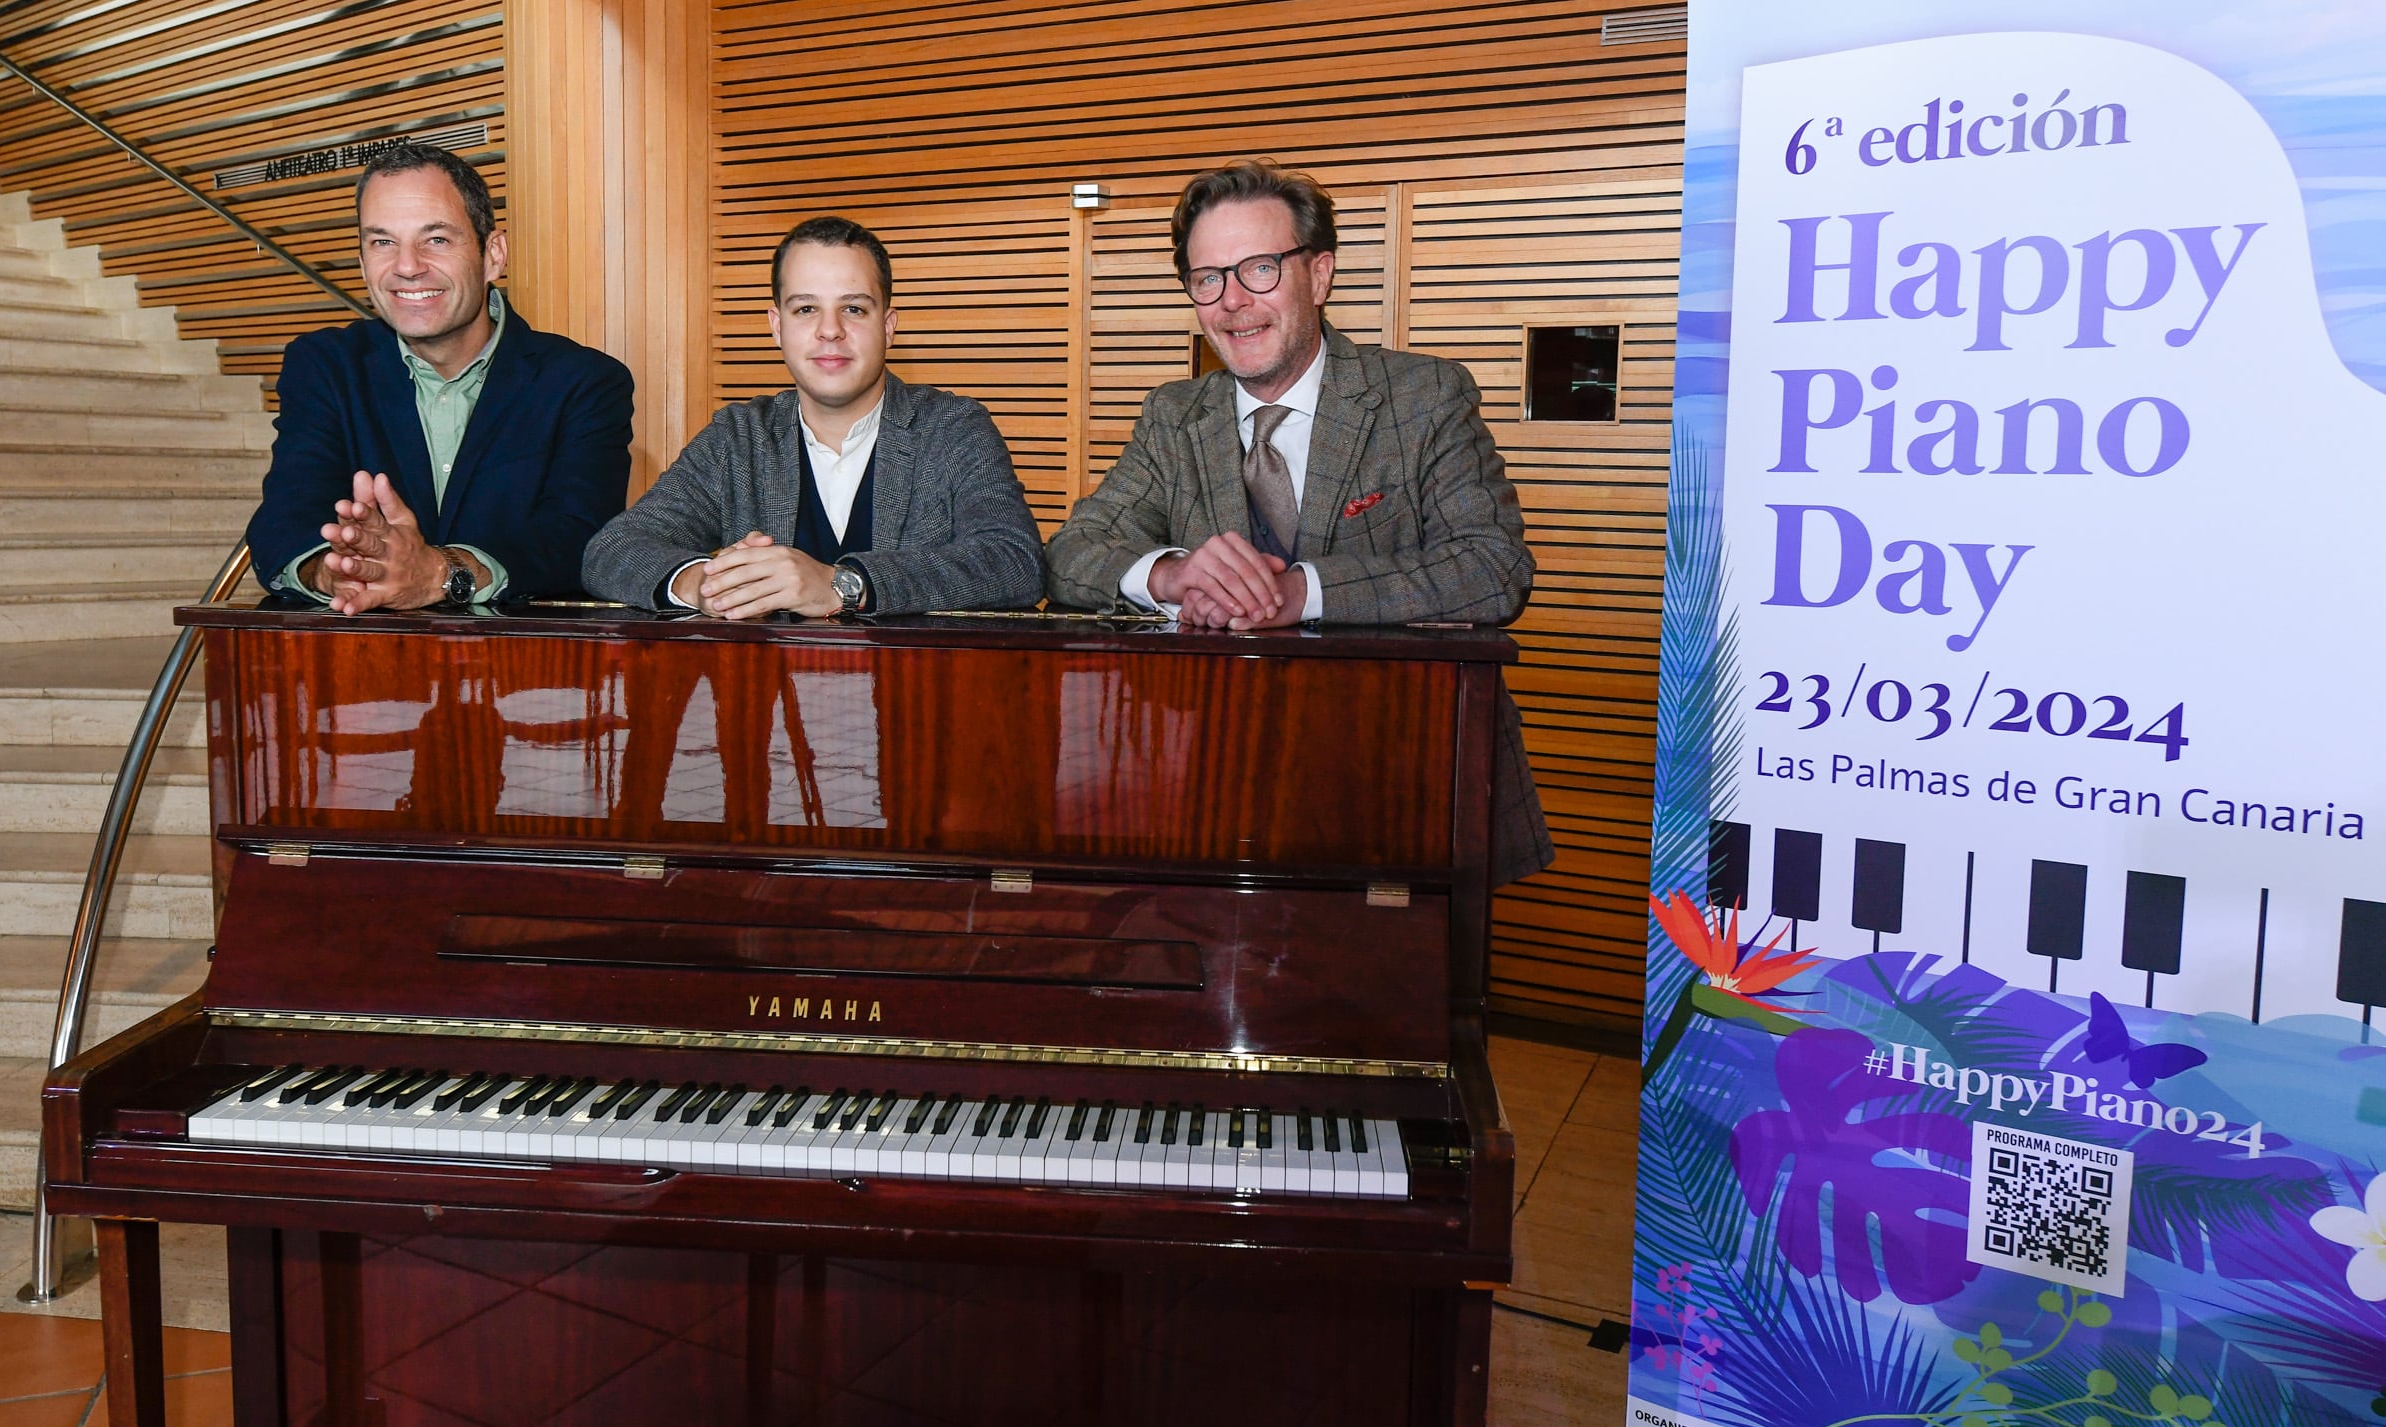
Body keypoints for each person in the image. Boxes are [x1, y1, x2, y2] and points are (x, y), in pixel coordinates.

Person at [1044, 159, 1554, 885]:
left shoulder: (1423, 397)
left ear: (1319, 275)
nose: (1231, 302)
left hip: (1403, 792)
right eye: (1207, 278)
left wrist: (1300, 593)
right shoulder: (1172, 416)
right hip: (1211, 795)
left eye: (1258, 269)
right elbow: (1070, 556)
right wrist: (1172, 574)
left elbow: (1492, 569)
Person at [581, 216, 1043, 619]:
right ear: (777, 326)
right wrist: (706, 585)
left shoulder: (952, 427)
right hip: (770, 710)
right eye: (806, 309)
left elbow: (1014, 563)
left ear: (888, 325)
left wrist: (843, 585)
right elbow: (611, 550)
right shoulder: (739, 436)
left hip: (915, 705)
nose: (830, 330)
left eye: (854, 308)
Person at [245, 143, 633, 612]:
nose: (407, 266)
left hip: (525, 666)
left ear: (492, 254)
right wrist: (337, 570)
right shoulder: (325, 365)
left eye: (437, 239)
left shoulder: (584, 382)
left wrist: (440, 573)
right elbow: (286, 515)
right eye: (383, 242)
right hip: (358, 655)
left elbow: (582, 538)